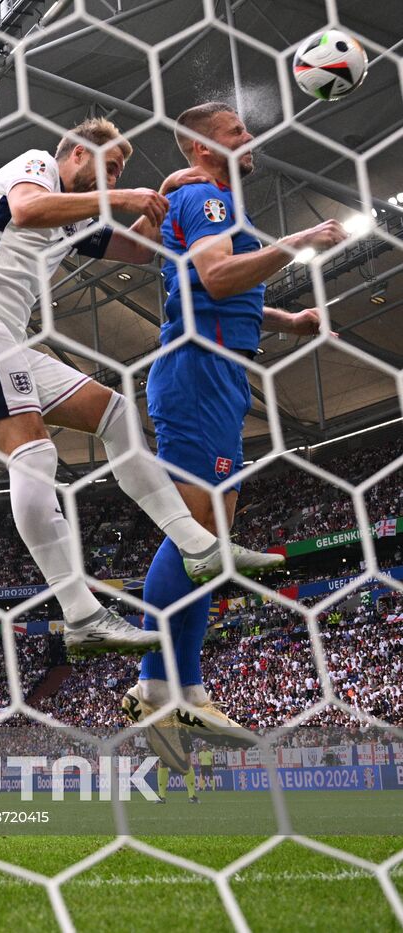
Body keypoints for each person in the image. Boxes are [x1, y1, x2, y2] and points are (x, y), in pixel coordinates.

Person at [0, 116, 284, 657]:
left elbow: (139, 250)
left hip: (5, 338)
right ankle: (82, 614)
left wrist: (159, 196)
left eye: (119, 170)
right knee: (36, 455)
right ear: (74, 155)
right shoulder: (37, 166)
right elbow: (25, 210)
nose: (112, 176)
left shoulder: (74, 218)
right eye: (108, 166)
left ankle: (198, 547)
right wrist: (126, 193)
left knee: (115, 414)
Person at [126, 101, 346, 739]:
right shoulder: (209, 200)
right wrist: (297, 242)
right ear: (201, 148)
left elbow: (215, 291)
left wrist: (285, 320)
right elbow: (217, 280)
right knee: (197, 534)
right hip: (197, 372)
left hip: (217, 370)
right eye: (236, 132)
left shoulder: (213, 204)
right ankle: (153, 681)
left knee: (210, 542)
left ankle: (184, 685)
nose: (250, 138)